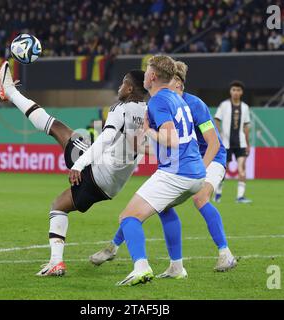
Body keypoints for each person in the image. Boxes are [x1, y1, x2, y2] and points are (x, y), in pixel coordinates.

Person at [0, 61, 148, 276]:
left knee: (56, 127)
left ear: (130, 88)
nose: (119, 88)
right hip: (113, 186)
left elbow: (105, 138)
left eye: (123, 84)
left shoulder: (121, 108)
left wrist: (78, 165)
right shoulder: (148, 112)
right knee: (60, 202)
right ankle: (55, 263)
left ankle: (10, 91)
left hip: (98, 171)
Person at [90, 61, 237, 274]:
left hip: (209, 159)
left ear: (179, 82)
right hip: (182, 164)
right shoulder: (163, 104)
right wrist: (136, 144)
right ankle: (171, 265)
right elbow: (163, 145)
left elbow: (213, 143)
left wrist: (201, 170)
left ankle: (226, 254)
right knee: (160, 206)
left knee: (199, 197)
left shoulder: (194, 105)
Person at [107, 55, 206, 286]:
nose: (145, 75)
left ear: (152, 76)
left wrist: (148, 129)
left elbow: (170, 140)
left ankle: (141, 267)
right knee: (165, 209)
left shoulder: (158, 101)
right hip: (195, 174)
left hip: (176, 173)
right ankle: (176, 267)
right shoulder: (178, 99)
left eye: (147, 71)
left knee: (128, 217)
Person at [214, 80, 252, 203]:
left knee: (241, 169)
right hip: (226, 143)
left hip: (241, 143)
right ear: (230, 91)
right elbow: (217, 120)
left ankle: (240, 197)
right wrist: (219, 135)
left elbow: (246, 127)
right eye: (234, 90)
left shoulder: (245, 107)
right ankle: (218, 194)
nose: (236, 92)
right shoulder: (224, 105)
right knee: (223, 170)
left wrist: (247, 143)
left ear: (241, 92)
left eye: (238, 90)